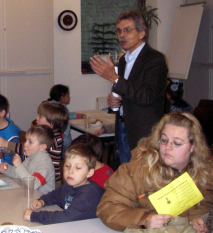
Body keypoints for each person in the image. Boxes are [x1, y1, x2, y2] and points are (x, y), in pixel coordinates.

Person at [97, 112, 213, 232]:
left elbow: (204, 206)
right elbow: (107, 207)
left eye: (177, 143)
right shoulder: (137, 169)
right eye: (163, 140)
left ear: (193, 146)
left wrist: (196, 219)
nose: (168, 147)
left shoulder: (207, 171)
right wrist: (144, 220)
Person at [90, 10, 168, 164]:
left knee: (143, 178)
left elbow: (146, 96)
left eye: (127, 30)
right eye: (119, 31)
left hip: (144, 132)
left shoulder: (155, 59)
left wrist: (113, 77)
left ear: (141, 33)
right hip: (123, 127)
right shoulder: (124, 60)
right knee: (127, 177)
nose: (121, 36)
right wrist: (115, 104)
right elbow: (127, 91)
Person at [23, 144, 105, 225]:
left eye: (78, 168)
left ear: (90, 173)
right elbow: (55, 195)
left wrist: (34, 216)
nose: (70, 171)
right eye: (67, 166)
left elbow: (66, 218)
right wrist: (42, 201)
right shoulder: (70, 184)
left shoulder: (88, 194)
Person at [0, 101, 68, 182]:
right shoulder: (42, 140)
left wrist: (7, 144)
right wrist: (9, 151)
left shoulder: (53, 139)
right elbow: (29, 152)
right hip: (33, 177)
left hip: (47, 183)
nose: (37, 118)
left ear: (51, 123)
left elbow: (27, 150)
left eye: (40, 116)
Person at [0, 125, 55, 194]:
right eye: (26, 140)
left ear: (42, 147)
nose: (25, 144)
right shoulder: (32, 157)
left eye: (30, 142)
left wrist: (19, 166)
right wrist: (7, 169)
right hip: (31, 196)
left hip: (42, 201)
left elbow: (34, 184)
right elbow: (18, 174)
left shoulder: (45, 165)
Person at [47, 84, 85, 154]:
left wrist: (77, 115)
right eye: (68, 95)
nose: (69, 97)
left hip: (62, 138)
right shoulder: (57, 108)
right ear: (62, 97)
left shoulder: (54, 105)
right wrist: (77, 115)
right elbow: (66, 115)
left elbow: (67, 114)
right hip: (63, 139)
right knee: (66, 154)